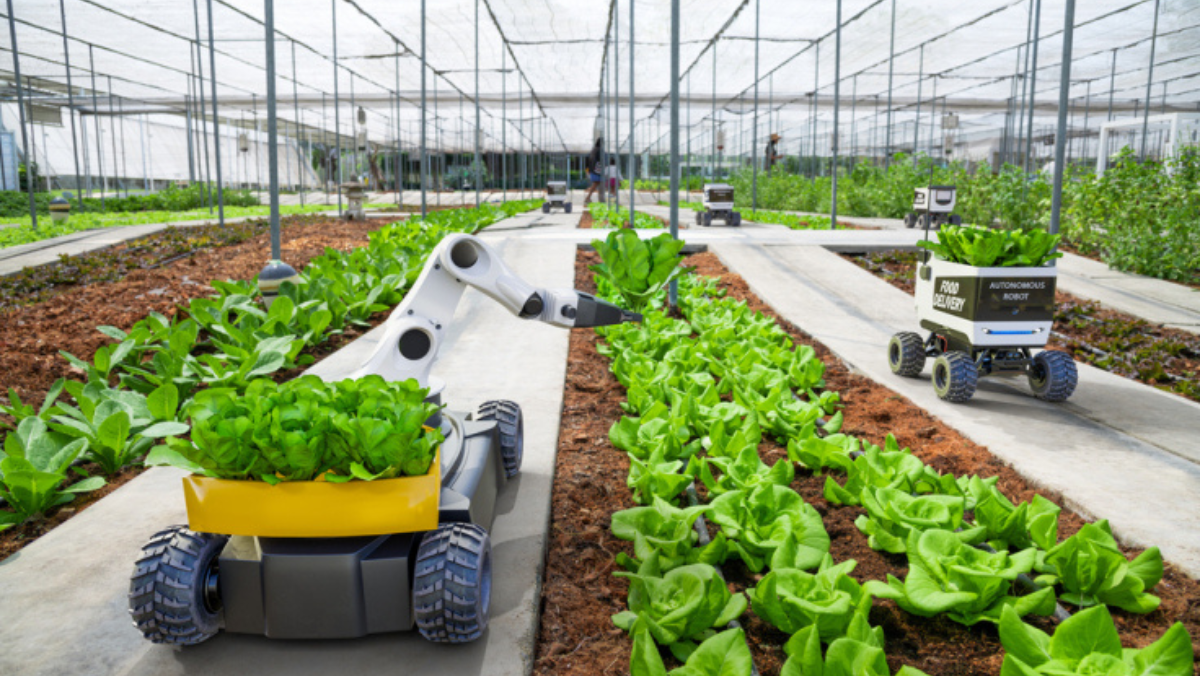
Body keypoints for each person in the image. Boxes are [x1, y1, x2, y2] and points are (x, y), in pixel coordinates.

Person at [583, 137, 604, 204]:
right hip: (597, 170)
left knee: (596, 183)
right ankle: (588, 197)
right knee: (596, 183)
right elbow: (601, 160)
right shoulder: (599, 150)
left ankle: (589, 197)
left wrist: (587, 168)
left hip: (592, 169)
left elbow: (588, 159)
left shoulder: (593, 150)